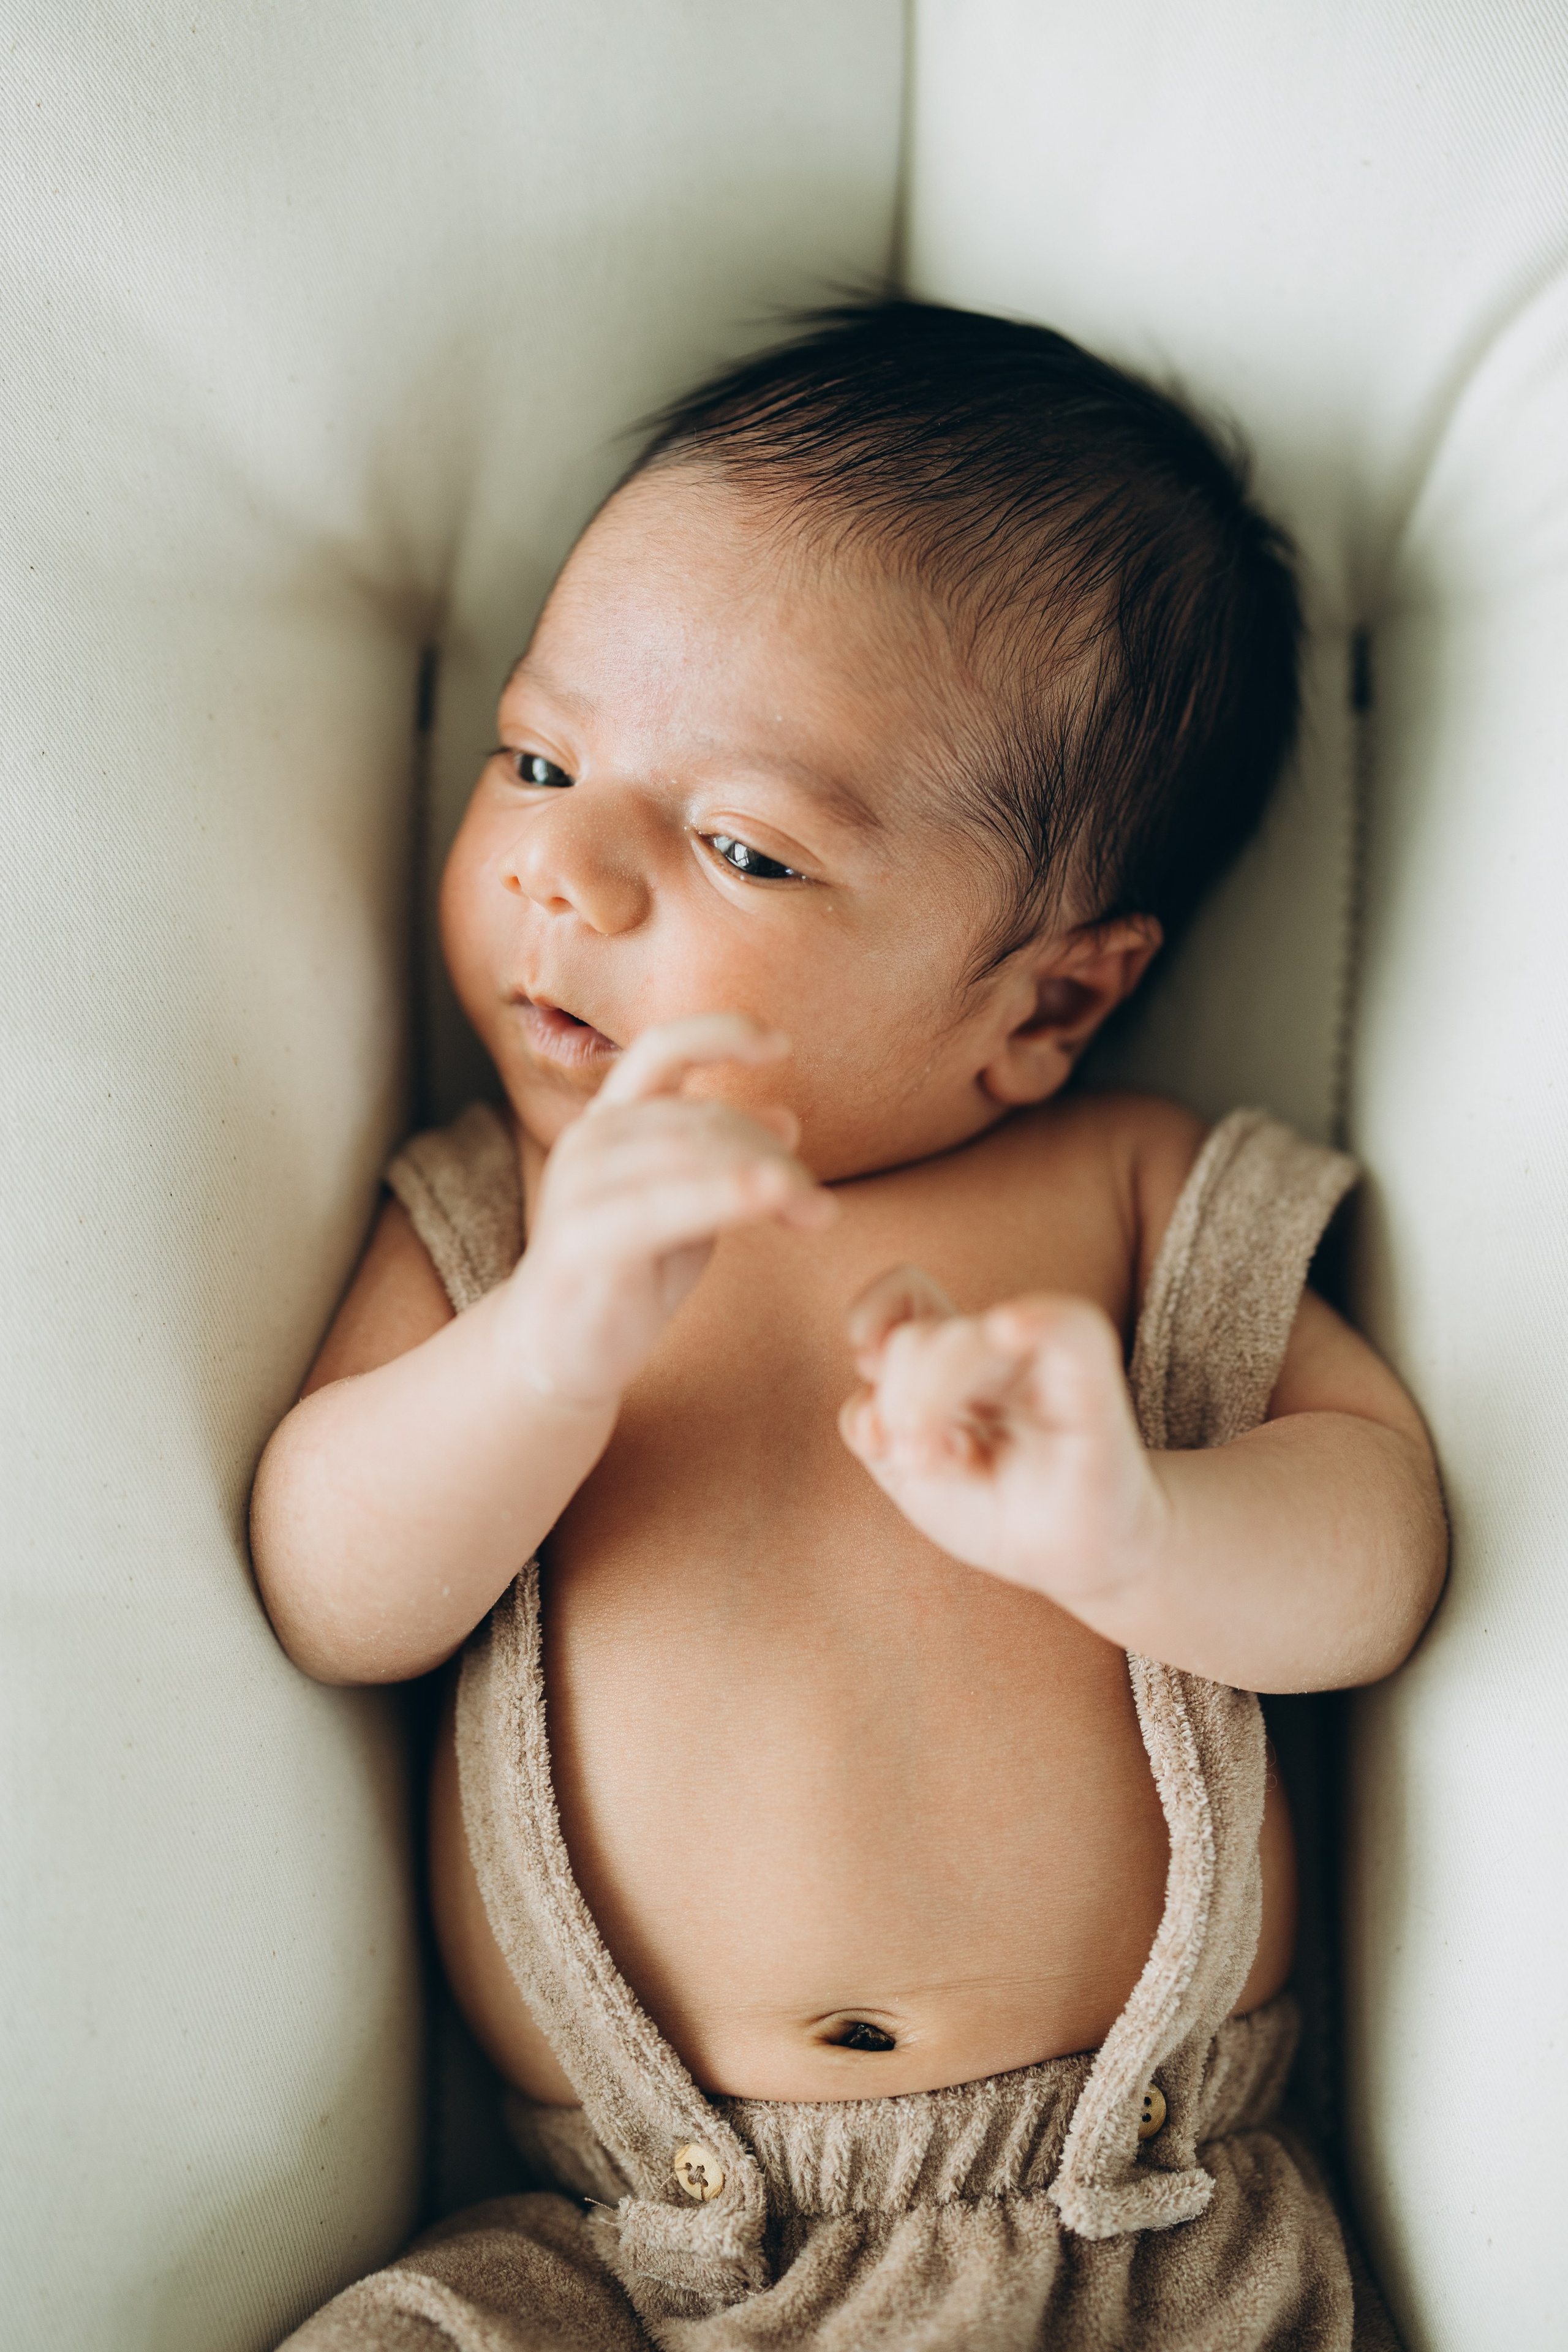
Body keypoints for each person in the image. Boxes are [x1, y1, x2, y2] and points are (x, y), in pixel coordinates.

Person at [253, 298, 1444, 2349]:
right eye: (538, 756)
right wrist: (552, 1340)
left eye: (741, 844)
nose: (567, 869)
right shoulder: (490, 1223)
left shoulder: (1135, 1194)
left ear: (1048, 1006)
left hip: (1132, 2237)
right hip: (620, 2259)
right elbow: (331, 1588)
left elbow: (1380, 1557)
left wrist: (1134, 1533)